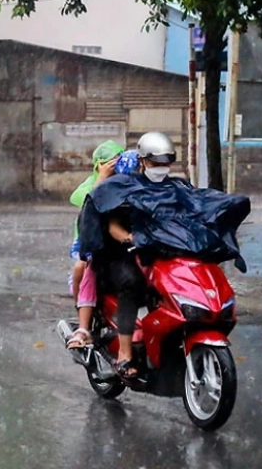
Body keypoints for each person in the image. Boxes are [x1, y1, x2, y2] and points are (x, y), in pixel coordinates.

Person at [91, 131, 177, 379]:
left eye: (165, 163)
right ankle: (125, 353)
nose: (161, 168)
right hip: (120, 255)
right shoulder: (123, 186)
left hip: (160, 251)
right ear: (142, 161)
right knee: (134, 283)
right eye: (154, 163)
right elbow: (112, 225)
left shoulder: (173, 188)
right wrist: (131, 238)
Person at [65, 141, 124, 350]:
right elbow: (82, 199)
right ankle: (82, 313)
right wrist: (101, 178)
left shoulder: (123, 183)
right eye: (109, 163)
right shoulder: (91, 183)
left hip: (117, 241)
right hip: (89, 240)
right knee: (83, 267)